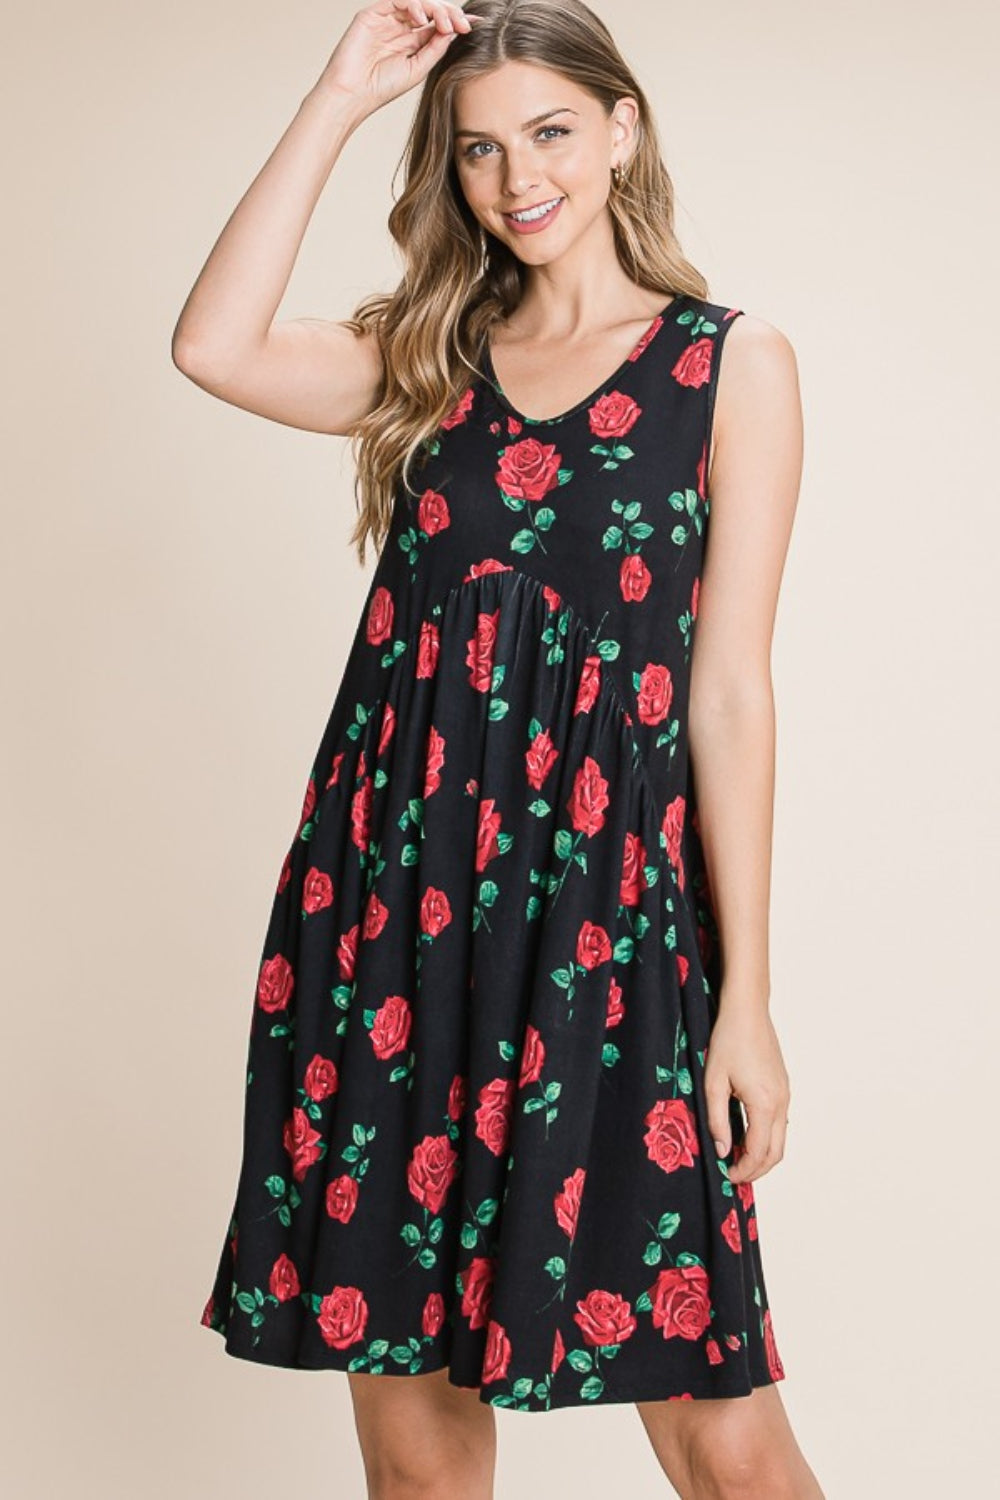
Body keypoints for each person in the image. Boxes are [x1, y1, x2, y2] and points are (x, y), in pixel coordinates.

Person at [174, 2, 821, 1495]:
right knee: (415, 1456)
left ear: (620, 129)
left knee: (728, 1445)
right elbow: (211, 345)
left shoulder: (731, 365)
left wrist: (750, 1004)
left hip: (607, 935)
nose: (516, 176)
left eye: (547, 132)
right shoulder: (426, 359)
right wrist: (340, 97)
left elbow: (729, 691)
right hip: (393, 927)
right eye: (478, 151)